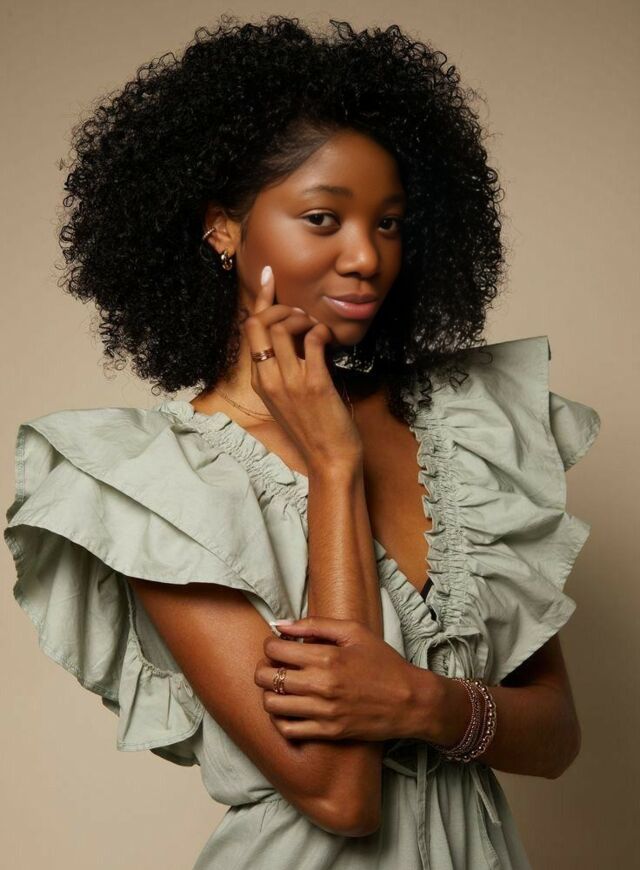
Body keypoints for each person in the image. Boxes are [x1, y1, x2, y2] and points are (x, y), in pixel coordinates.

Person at [3, 15, 601, 869]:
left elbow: (558, 737)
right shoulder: (158, 485)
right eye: (324, 218)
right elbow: (340, 793)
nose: (366, 257)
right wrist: (333, 464)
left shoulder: (470, 432)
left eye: (389, 223)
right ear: (223, 229)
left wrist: (423, 703)